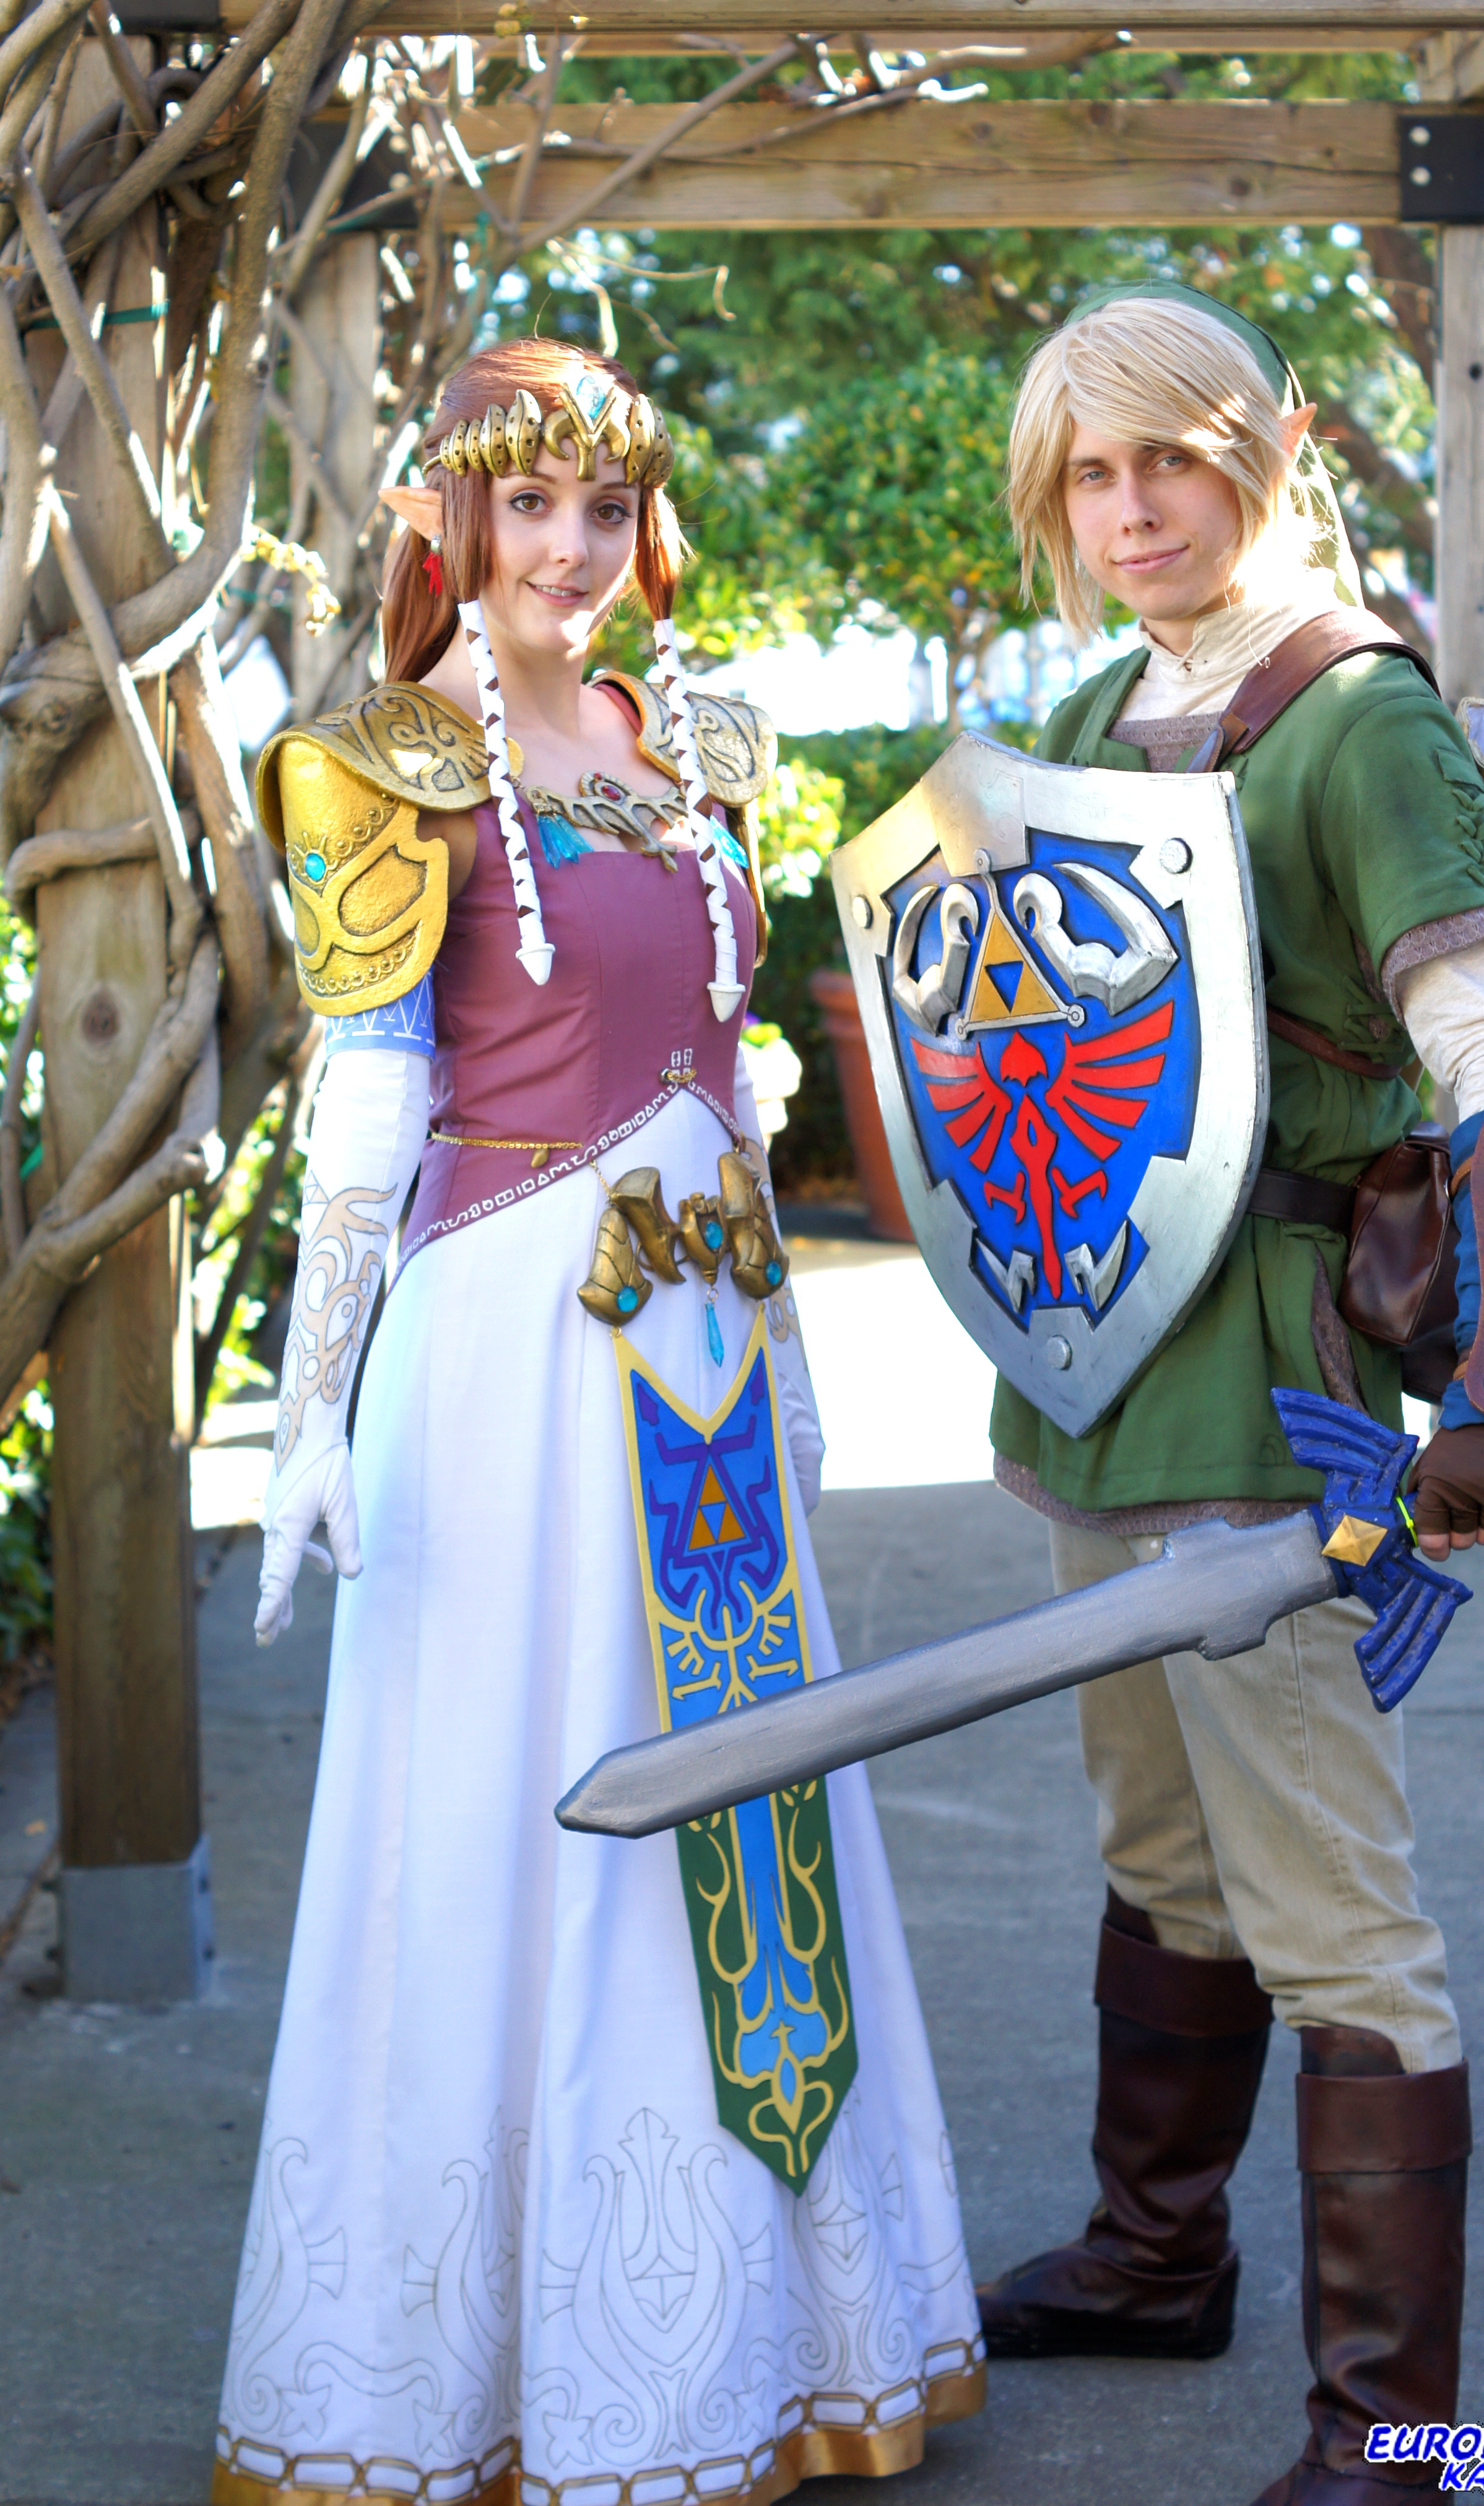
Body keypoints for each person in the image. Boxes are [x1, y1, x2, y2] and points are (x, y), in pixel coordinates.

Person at [212, 340, 983, 2506]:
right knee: (511, 1807)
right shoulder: (377, 763)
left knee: (742, 1806)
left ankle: (760, 2357)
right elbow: (369, 1112)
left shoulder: (690, 743)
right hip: (510, 1360)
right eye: (526, 506)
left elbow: (729, 1081)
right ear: (447, 523)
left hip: (708, 1353)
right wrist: (307, 1417)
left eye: (603, 506)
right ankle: (483, 2393)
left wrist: (797, 1360)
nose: (568, 548)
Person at [975, 287, 1484, 2503]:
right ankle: (1156, 2258)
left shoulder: (1354, 719)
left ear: (1267, 452)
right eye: (1089, 474)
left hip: (1270, 1399)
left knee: (1334, 1912)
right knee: (1161, 1854)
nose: (1130, 509)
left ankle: (1406, 2445)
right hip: (1097, 1385)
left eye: (1170, 459)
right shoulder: (1079, 711)